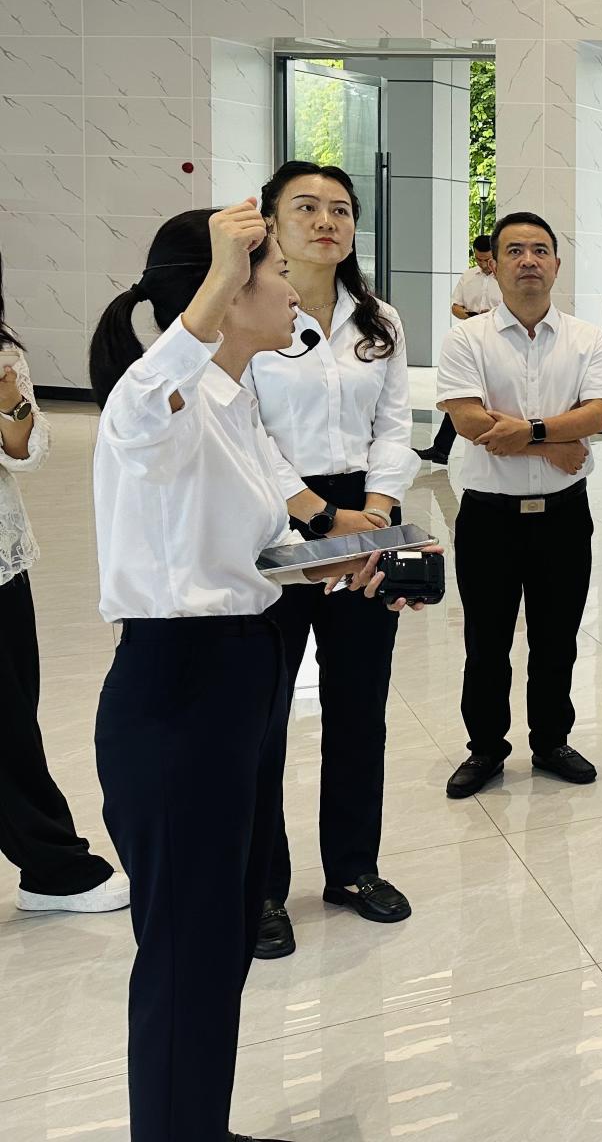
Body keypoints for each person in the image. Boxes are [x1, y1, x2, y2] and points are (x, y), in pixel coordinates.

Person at [87, 202, 420, 1142]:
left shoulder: (234, 404)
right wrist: (218, 279)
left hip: (241, 669)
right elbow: (143, 407)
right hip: (179, 688)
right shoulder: (158, 402)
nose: (293, 290)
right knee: (185, 955)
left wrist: (354, 558)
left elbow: (260, 554)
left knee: (225, 931)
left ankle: (198, 1125)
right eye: (273, 270)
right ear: (228, 288)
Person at [244, 161, 421, 960]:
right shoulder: (247, 310)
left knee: (359, 705)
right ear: (271, 224)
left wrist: (373, 518)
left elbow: (395, 424)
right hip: (274, 515)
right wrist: (318, 515)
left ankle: (352, 868)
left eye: (341, 209)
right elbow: (245, 429)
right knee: (265, 715)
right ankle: (262, 886)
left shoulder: (379, 319)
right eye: (306, 207)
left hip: (365, 511)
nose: (327, 221)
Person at [435, 212, 602, 800]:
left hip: (564, 515)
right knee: (486, 642)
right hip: (489, 516)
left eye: (540, 250)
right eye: (515, 250)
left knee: (556, 638)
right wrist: (553, 442)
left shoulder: (586, 338)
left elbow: (598, 413)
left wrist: (532, 431)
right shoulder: (467, 338)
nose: (529, 261)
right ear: (494, 264)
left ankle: (551, 742)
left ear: (557, 265)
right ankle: (486, 748)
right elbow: (469, 420)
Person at [0, 261, 128, 916]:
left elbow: (28, 452)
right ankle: (53, 865)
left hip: (1, 562)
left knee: (13, 714)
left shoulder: (3, 352)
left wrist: (10, 400)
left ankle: (49, 868)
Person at [418, 234, 498, 465]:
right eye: (479, 259)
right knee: (459, 395)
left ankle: (495, 445)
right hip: (470, 340)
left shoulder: (505, 278)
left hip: (498, 342)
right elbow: (455, 306)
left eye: (487, 260)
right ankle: (441, 449)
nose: (483, 264)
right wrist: (469, 315)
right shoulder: (468, 276)